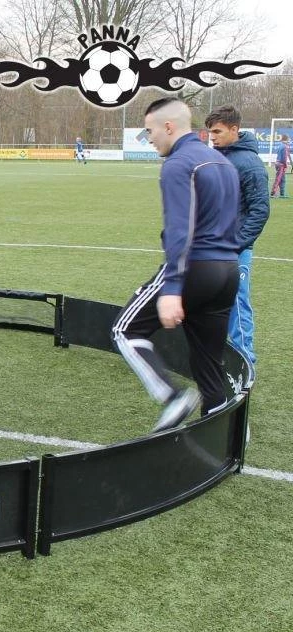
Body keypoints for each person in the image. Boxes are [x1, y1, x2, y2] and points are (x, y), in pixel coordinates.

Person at [112, 98, 240, 432]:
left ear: (168, 127)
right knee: (208, 361)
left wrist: (172, 288)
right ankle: (221, 431)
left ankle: (173, 397)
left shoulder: (178, 164)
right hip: (227, 271)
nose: (149, 139)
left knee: (125, 330)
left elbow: (179, 230)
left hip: (194, 268)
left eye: (150, 131)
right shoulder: (223, 162)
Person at [204, 105, 270, 366]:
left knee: (236, 304)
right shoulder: (219, 156)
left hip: (234, 250)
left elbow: (260, 210)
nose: (212, 137)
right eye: (210, 132)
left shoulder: (250, 164)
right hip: (211, 245)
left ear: (235, 129)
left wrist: (236, 245)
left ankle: (244, 362)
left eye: (217, 132)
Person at [270, 134, 290, 198]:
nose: (289, 140)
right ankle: (273, 193)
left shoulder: (281, 145)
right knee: (278, 179)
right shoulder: (285, 146)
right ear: (286, 139)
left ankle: (282, 194)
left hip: (278, 163)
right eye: (289, 139)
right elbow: (284, 158)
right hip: (281, 165)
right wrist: (286, 165)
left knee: (282, 179)